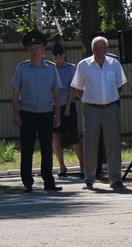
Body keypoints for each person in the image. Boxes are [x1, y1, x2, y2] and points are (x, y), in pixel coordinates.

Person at [71, 36, 127, 190]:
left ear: (106, 49)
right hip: (91, 109)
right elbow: (77, 88)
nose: (99, 51)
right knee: (90, 144)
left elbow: (120, 86)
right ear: (92, 49)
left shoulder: (114, 64)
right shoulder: (84, 65)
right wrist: (89, 100)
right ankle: (89, 178)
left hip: (111, 108)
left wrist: (110, 99)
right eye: (96, 48)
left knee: (113, 144)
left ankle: (115, 178)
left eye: (101, 48)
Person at [11, 30, 62, 193]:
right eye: (31, 48)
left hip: (47, 113)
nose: (34, 51)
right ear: (28, 51)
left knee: (47, 148)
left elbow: (57, 92)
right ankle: (27, 182)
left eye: (37, 47)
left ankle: (49, 181)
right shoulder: (21, 68)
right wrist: (16, 114)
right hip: (27, 113)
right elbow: (15, 92)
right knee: (27, 149)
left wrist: (58, 114)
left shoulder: (52, 68)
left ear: (43, 50)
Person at [50, 42, 83, 177]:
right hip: (53, 106)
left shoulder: (71, 68)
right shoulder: (49, 69)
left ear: (64, 56)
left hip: (67, 105)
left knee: (73, 136)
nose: (59, 61)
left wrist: (68, 106)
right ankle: (62, 166)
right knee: (55, 136)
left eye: (61, 58)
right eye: (56, 58)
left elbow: (72, 88)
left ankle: (82, 165)